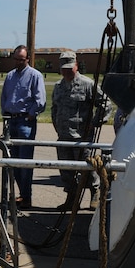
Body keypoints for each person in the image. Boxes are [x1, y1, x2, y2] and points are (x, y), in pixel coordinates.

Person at [51, 51, 111, 211]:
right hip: (63, 137)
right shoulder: (58, 86)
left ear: (76, 66)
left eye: (70, 68)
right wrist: (56, 124)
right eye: (64, 68)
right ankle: (71, 199)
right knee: (66, 170)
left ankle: (95, 193)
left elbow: (105, 104)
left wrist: (95, 122)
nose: (66, 71)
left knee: (88, 169)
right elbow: (54, 108)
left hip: (82, 138)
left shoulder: (87, 84)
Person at [0, 45, 46, 209]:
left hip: (25, 122)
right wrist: (4, 115)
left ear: (27, 59)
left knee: (25, 162)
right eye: (16, 59)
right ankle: (21, 194)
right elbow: (4, 97)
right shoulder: (10, 76)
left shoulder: (35, 76)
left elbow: (40, 101)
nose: (18, 62)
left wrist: (31, 115)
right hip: (10, 122)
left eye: (21, 59)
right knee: (13, 161)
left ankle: (26, 196)